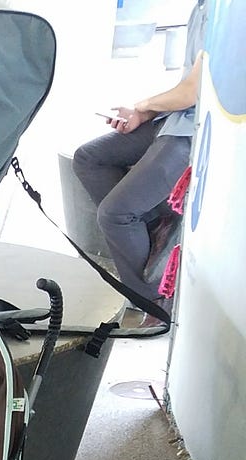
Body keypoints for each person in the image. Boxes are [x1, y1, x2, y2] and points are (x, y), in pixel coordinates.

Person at [72, 0, 206, 323]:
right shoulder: (201, 8)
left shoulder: (226, 12)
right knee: (88, 159)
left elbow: (193, 91)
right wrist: (144, 114)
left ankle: (155, 304)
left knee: (114, 214)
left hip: (191, 132)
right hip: (173, 120)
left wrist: (144, 105)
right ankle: (155, 225)